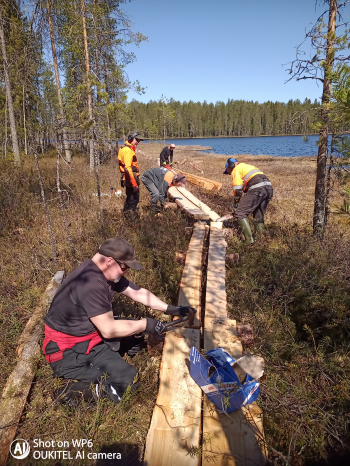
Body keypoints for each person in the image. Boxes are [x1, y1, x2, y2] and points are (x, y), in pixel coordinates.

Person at [43, 237, 194, 406]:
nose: (126, 271)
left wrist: (170, 309)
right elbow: (108, 329)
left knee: (134, 334)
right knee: (129, 380)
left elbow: (137, 292)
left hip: (87, 334)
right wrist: (145, 324)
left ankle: (112, 355)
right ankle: (73, 392)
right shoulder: (90, 284)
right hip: (69, 352)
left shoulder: (100, 271)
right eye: (124, 267)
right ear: (109, 261)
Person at [223, 158, 273, 244]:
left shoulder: (236, 170)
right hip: (268, 188)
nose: (229, 174)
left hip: (258, 189)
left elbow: (237, 188)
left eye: (228, 171)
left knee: (240, 213)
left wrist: (236, 202)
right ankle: (260, 238)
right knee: (258, 214)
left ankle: (249, 241)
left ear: (230, 166)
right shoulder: (247, 167)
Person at [118, 132, 143, 215]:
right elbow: (128, 168)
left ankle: (126, 213)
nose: (138, 142)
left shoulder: (125, 148)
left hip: (127, 177)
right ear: (131, 139)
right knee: (134, 199)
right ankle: (131, 218)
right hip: (130, 177)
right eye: (137, 140)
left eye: (139, 141)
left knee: (129, 197)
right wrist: (134, 184)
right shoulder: (128, 151)